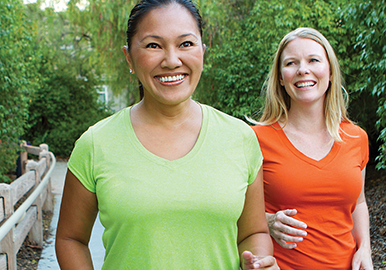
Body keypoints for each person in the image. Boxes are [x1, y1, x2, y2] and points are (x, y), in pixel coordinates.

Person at [55, 1, 279, 269]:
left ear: (202, 52)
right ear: (129, 57)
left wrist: (258, 261)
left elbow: (253, 233)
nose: (172, 60)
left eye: (185, 44)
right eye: (153, 45)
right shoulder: (95, 144)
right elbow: (71, 238)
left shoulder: (240, 138)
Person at [251, 27, 373, 270]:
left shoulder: (356, 137)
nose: (302, 70)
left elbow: (358, 203)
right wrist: (269, 221)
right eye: (291, 63)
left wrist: (365, 248)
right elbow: (236, 213)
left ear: (329, 73)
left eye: (313, 60)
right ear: (281, 79)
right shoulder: (255, 139)